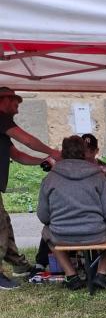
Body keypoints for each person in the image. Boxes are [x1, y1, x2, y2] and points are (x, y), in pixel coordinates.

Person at [36, 135, 106, 290]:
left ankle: (71, 275)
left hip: (62, 236)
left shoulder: (50, 178)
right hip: (96, 234)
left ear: (62, 153)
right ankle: (102, 273)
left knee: (46, 233)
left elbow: (43, 215)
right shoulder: (99, 176)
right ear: (84, 153)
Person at [0, 86, 60, 289]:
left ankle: (19, 265)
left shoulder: (2, 129)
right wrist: (52, 151)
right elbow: (27, 140)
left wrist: (43, 160)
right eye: (15, 103)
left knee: (4, 223)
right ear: (4, 100)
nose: (17, 109)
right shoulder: (1, 118)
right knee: (0, 226)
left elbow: (17, 155)